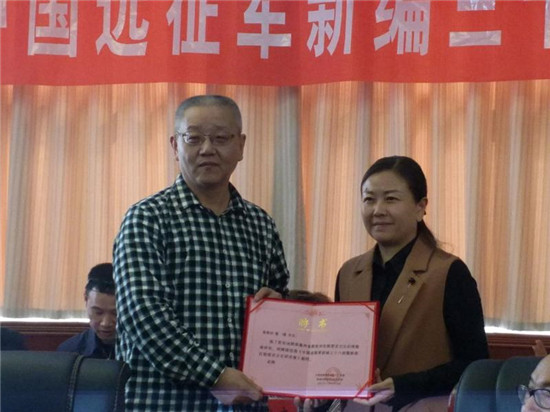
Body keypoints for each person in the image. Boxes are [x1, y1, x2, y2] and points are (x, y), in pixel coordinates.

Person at [113, 95, 290, 411]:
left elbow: (281, 298)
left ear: (241, 145)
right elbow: (144, 314)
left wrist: (278, 308)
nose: (207, 149)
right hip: (165, 404)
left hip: (246, 404)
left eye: (221, 138)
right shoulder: (147, 218)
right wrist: (216, 376)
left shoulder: (261, 224)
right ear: (175, 146)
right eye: (193, 138)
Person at [334, 156, 489, 411]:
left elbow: (475, 365)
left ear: (420, 207)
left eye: (391, 199)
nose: (378, 210)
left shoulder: (448, 272)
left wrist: (404, 385)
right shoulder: (349, 273)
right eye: (369, 199)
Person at [57, 263, 116, 359]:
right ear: (86, 298)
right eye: (98, 312)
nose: (106, 323)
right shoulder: (70, 352)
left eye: (115, 314)